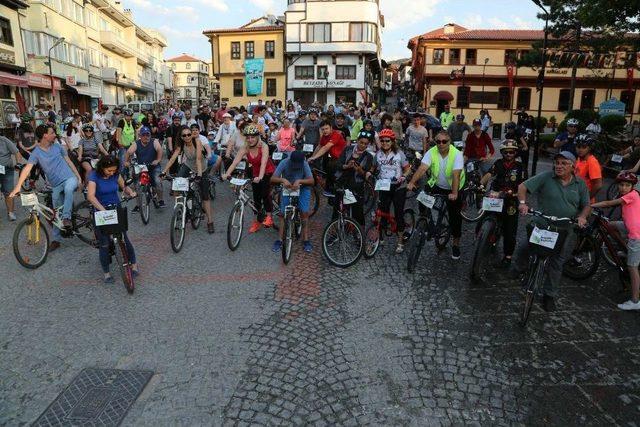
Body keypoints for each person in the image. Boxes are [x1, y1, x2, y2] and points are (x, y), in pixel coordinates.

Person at [513, 151, 590, 312]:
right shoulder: (546, 177)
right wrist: (522, 203)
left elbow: (586, 205)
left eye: (563, 163)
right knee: (524, 247)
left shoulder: (580, 184)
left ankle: (549, 295)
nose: (558, 166)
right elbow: (522, 187)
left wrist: (582, 217)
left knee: (556, 262)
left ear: (572, 166)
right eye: (557, 163)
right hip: (542, 224)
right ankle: (519, 268)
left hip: (565, 228)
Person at [10, 124, 82, 251]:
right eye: (52, 133)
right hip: (55, 185)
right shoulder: (37, 152)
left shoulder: (58, 147)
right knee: (54, 214)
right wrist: (17, 187)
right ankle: (56, 239)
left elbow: (69, 161)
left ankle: (67, 218)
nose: (55, 135)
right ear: (45, 135)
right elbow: (27, 168)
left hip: (69, 178)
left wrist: (78, 177)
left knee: (69, 189)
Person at [407, 130, 465, 260]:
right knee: (422, 197)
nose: (441, 144)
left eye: (444, 141)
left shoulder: (457, 154)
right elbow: (422, 168)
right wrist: (411, 182)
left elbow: (456, 175)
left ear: (449, 142)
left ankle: (456, 244)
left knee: (455, 217)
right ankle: (424, 220)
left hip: (453, 188)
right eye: (438, 141)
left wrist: (454, 193)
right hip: (437, 185)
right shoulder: (431, 151)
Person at [591, 171, 640, 310]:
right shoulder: (631, 194)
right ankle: (625, 250)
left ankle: (635, 301)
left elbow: (608, 203)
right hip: (628, 227)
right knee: (611, 225)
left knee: (632, 267)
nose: (623, 188)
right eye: (621, 185)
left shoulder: (631, 195)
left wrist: (591, 206)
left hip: (637, 235)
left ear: (632, 187)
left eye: (627, 185)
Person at [86, 155, 139, 283]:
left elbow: (123, 187)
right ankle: (106, 273)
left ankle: (134, 265)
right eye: (109, 170)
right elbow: (91, 196)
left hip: (116, 208)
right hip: (101, 211)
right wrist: (102, 210)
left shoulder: (115, 174)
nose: (112, 173)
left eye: (114, 170)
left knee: (125, 238)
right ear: (102, 168)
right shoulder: (94, 176)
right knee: (104, 244)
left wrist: (130, 192)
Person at [479, 140, 526, 266]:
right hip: (495, 197)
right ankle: (481, 239)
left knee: (510, 231)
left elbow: (524, 185)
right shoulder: (498, 163)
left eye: (512, 152)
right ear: (502, 152)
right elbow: (489, 174)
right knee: (481, 218)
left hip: (511, 200)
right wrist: (480, 185)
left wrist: (519, 196)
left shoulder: (520, 167)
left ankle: (508, 256)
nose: (509, 154)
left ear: (515, 153)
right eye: (506, 152)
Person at [162, 125, 215, 233]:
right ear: (181, 137)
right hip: (188, 165)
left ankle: (210, 221)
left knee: (205, 196)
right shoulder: (181, 144)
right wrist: (164, 171)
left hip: (202, 168)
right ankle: (180, 209)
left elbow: (199, 159)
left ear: (192, 134)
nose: (187, 137)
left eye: (189, 134)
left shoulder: (197, 142)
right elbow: (173, 158)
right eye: (184, 135)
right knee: (176, 185)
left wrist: (199, 175)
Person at [222, 124, 275, 233]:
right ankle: (258, 221)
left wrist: (260, 177)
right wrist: (226, 174)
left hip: (267, 171)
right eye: (248, 137)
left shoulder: (263, 146)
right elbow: (235, 162)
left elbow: (264, 164)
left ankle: (269, 217)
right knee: (256, 198)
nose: (250, 139)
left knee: (265, 193)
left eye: (253, 137)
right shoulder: (245, 148)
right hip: (255, 172)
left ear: (257, 137)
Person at [368, 129, 411, 253]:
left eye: (387, 141)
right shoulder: (378, 154)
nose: (385, 143)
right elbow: (373, 167)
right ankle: (380, 238)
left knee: (398, 213)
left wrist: (404, 176)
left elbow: (408, 169)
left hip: (398, 187)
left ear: (392, 141)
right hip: (384, 186)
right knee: (382, 212)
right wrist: (369, 172)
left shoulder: (399, 154)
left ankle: (400, 241)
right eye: (382, 141)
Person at [271, 150, 315, 253]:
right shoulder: (284, 162)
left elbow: (311, 180)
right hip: (288, 187)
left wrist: (300, 181)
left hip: (303, 188)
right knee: (282, 213)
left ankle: (306, 239)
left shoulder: (304, 164)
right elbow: (273, 178)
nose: (296, 166)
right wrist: (283, 180)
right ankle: (280, 240)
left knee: (304, 213)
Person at [337, 131, 374, 226]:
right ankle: (336, 232)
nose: (363, 145)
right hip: (343, 184)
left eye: (365, 144)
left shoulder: (368, 156)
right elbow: (338, 164)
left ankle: (359, 235)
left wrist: (359, 170)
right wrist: (347, 166)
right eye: (361, 142)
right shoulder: (348, 149)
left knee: (358, 212)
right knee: (339, 210)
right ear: (357, 141)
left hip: (357, 187)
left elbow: (366, 174)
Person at [125, 126, 165, 208]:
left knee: (157, 181)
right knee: (136, 184)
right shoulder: (136, 143)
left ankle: (160, 200)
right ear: (140, 136)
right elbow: (129, 152)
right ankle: (138, 205)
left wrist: (157, 160)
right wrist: (126, 162)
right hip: (141, 166)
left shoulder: (154, 141)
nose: (146, 137)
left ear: (150, 135)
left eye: (148, 135)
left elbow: (160, 150)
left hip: (153, 165)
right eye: (144, 135)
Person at [308, 120, 347, 197]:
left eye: (326, 128)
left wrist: (314, 157)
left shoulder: (336, 134)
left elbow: (326, 147)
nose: (325, 131)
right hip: (332, 157)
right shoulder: (324, 136)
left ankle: (332, 190)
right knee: (326, 167)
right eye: (323, 129)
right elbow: (319, 146)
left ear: (331, 128)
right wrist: (312, 157)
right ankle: (330, 185)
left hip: (342, 157)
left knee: (331, 167)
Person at [0, 134, 22, 221]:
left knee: (8, 191)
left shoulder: (4, 140)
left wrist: (19, 164)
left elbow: (16, 152)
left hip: (7, 170)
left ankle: (10, 212)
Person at [574, 137, 602, 202]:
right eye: (578, 147)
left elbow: (598, 185)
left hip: (583, 200)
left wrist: (586, 199)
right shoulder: (579, 158)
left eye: (584, 147)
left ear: (589, 148)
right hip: (575, 196)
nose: (580, 150)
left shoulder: (592, 162)